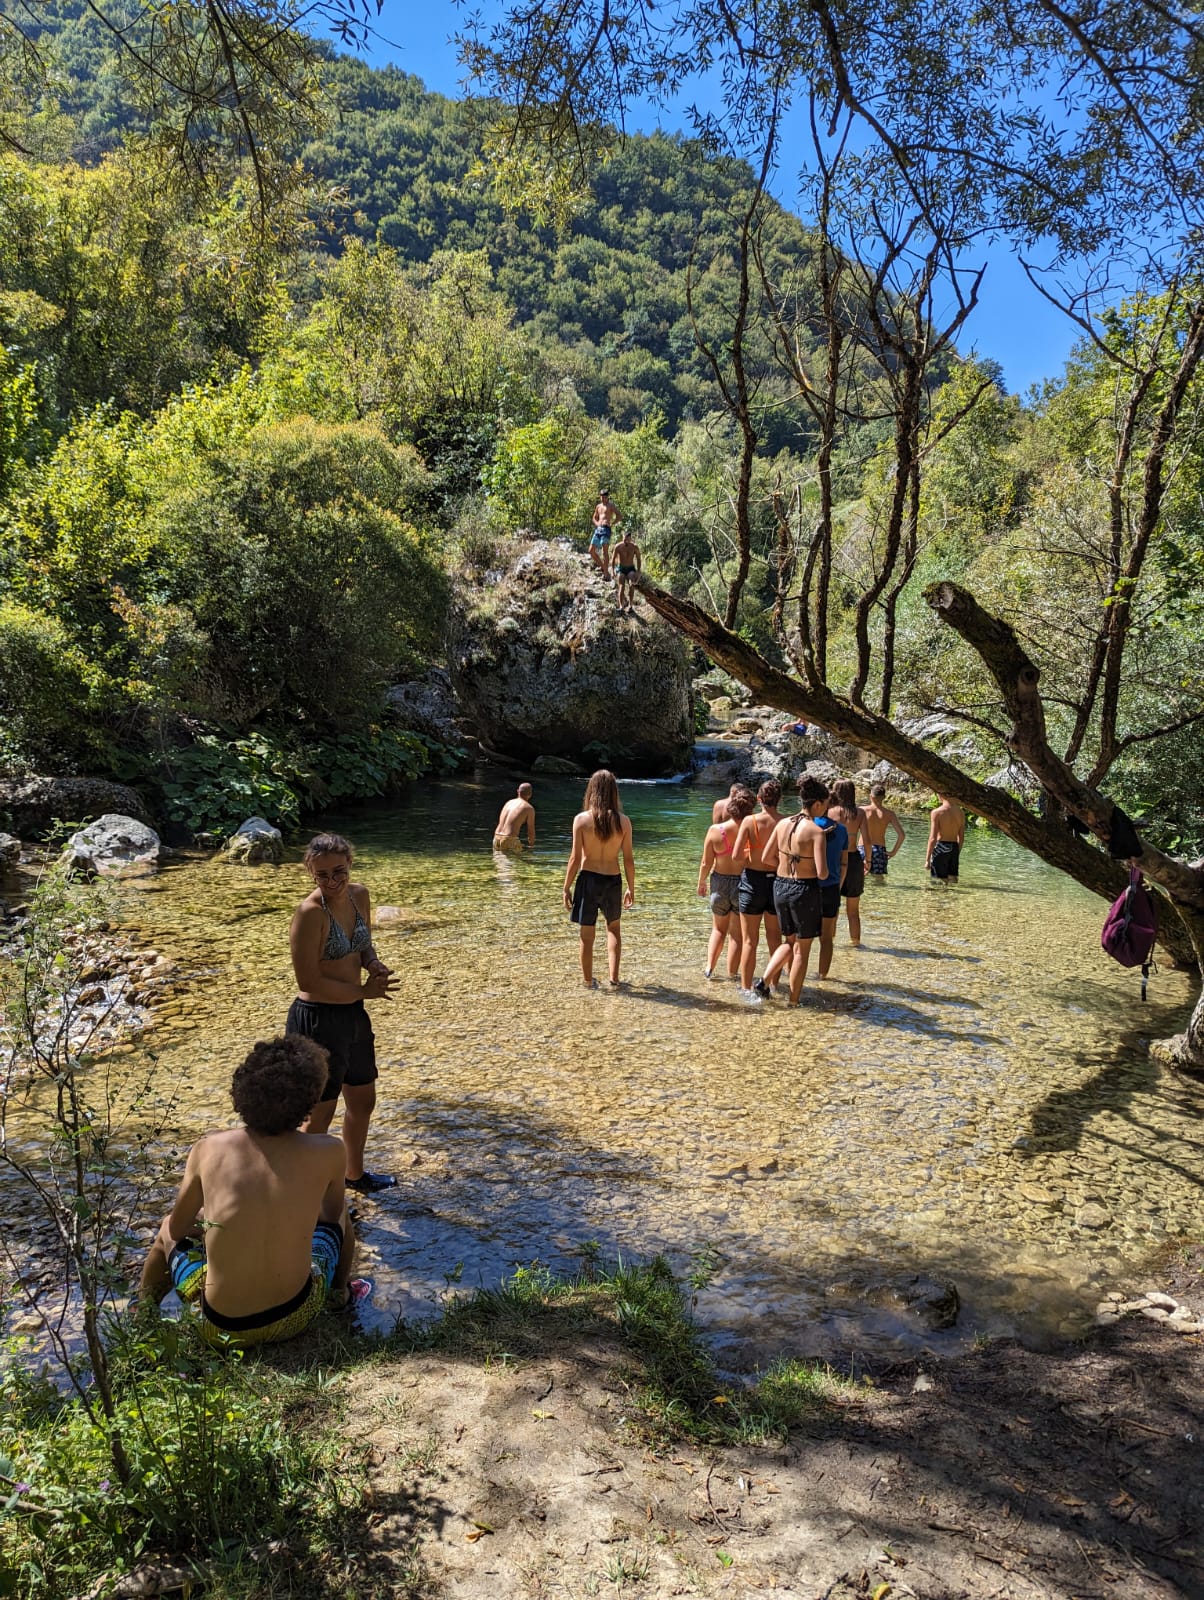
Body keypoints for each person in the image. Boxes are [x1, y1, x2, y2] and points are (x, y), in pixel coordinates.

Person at [139, 1035, 360, 1346]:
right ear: (309, 1101)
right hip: (296, 1316)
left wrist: (218, 1219)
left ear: (244, 1091)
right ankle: (340, 1296)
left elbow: (177, 1227)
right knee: (342, 1219)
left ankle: (141, 1320)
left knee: (166, 1230)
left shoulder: (209, 1148)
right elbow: (330, 1214)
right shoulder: (330, 1150)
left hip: (219, 1330)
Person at [286, 833, 399, 1195]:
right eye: (323, 876)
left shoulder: (359, 895)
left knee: (363, 1100)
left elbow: (363, 943)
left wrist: (373, 963)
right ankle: (305, 1195)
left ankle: (354, 1174)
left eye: (339, 871)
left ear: (350, 863)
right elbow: (310, 981)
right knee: (320, 1114)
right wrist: (364, 991)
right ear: (311, 874)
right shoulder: (309, 914)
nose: (333, 881)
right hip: (317, 1019)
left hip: (353, 1014)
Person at [753, 776, 830, 1005]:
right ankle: (794, 1002)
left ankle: (764, 982)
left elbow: (767, 857)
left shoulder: (782, 824)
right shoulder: (816, 831)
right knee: (801, 951)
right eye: (825, 804)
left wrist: (787, 865)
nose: (825, 809)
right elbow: (823, 873)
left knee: (789, 941)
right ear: (816, 803)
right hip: (804, 890)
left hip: (780, 886)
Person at [563, 769, 635, 988]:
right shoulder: (624, 822)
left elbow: (575, 858)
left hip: (588, 880)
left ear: (591, 790)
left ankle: (588, 981)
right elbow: (629, 860)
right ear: (614, 792)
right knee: (613, 929)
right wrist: (631, 888)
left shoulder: (581, 820)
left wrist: (566, 887)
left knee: (587, 934)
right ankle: (614, 979)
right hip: (613, 879)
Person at [698, 784, 757, 980]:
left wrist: (701, 882)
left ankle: (709, 968)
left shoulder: (715, 830)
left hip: (719, 882)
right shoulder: (752, 831)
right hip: (743, 884)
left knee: (717, 929)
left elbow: (706, 862)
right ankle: (732, 975)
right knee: (737, 936)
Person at [734, 779, 785, 996]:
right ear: (779, 799)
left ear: (759, 799)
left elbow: (736, 856)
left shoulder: (749, 821)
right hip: (777, 882)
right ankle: (772, 985)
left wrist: (752, 856)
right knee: (775, 938)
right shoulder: (786, 822)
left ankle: (746, 989)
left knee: (749, 941)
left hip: (752, 883)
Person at [814, 790, 849, 978]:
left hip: (807, 887)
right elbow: (844, 863)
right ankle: (822, 977)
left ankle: (792, 973)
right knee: (826, 938)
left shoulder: (807, 825)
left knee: (798, 938)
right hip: (831, 888)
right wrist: (838, 885)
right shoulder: (842, 830)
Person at [829, 780, 867, 945]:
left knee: (833, 907)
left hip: (835, 860)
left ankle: (829, 942)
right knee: (853, 910)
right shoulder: (860, 813)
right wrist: (869, 860)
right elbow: (867, 839)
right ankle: (856, 944)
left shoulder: (830, 812)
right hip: (853, 858)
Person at [863, 783, 906, 877]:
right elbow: (902, 835)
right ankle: (879, 893)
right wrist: (893, 852)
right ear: (884, 797)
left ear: (870, 796)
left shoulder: (862, 810)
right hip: (879, 850)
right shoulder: (890, 814)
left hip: (863, 848)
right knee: (879, 880)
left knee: (859, 878)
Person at [926, 794, 966, 882]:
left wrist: (927, 859)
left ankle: (940, 895)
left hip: (941, 847)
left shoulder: (937, 812)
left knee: (938, 881)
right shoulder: (961, 813)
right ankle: (952, 895)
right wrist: (956, 852)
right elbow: (961, 837)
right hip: (954, 846)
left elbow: (932, 838)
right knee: (953, 878)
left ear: (941, 795)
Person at [589, 489, 621, 581]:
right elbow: (594, 517)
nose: (603, 499)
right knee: (591, 550)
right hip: (598, 529)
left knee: (604, 552)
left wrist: (612, 523)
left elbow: (619, 516)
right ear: (600, 497)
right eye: (602, 497)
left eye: (605, 497)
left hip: (606, 529)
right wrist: (597, 523)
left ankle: (606, 574)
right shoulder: (598, 506)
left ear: (608, 497)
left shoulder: (611, 505)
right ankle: (604, 567)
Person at [493, 782, 536, 851]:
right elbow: (531, 831)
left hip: (496, 837)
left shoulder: (508, 803)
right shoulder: (529, 808)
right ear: (530, 794)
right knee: (516, 861)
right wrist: (531, 846)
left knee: (499, 861)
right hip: (510, 839)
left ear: (518, 791)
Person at [612, 528, 642, 613]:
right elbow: (613, 559)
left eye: (628, 540)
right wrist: (613, 570)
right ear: (622, 538)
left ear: (630, 539)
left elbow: (639, 559)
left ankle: (630, 605)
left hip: (630, 568)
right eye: (625, 539)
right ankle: (621, 606)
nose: (626, 541)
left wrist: (638, 571)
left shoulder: (634, 547)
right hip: (621, 568)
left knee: (632, 584)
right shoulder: (618, 546)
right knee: (621, 586)